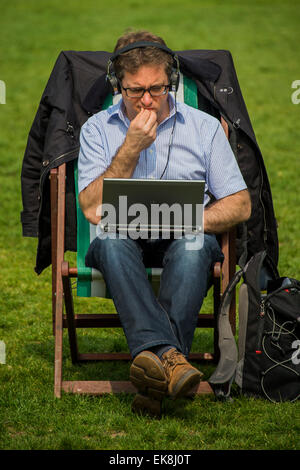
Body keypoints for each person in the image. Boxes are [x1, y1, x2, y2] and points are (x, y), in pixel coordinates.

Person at [78, 30, 251, 416]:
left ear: (171, 81)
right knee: (107, 243)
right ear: (116, 86)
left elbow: (240, 205)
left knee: (194, 246)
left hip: (186, 235)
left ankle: (154, 373)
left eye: (156, 88)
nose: (146, 99)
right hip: (123, 239)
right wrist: (131, 147)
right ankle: (172, 359)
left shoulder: (204, 127)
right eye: (133, 90)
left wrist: (184, 218)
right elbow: (92, 209)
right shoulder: (97, 129)